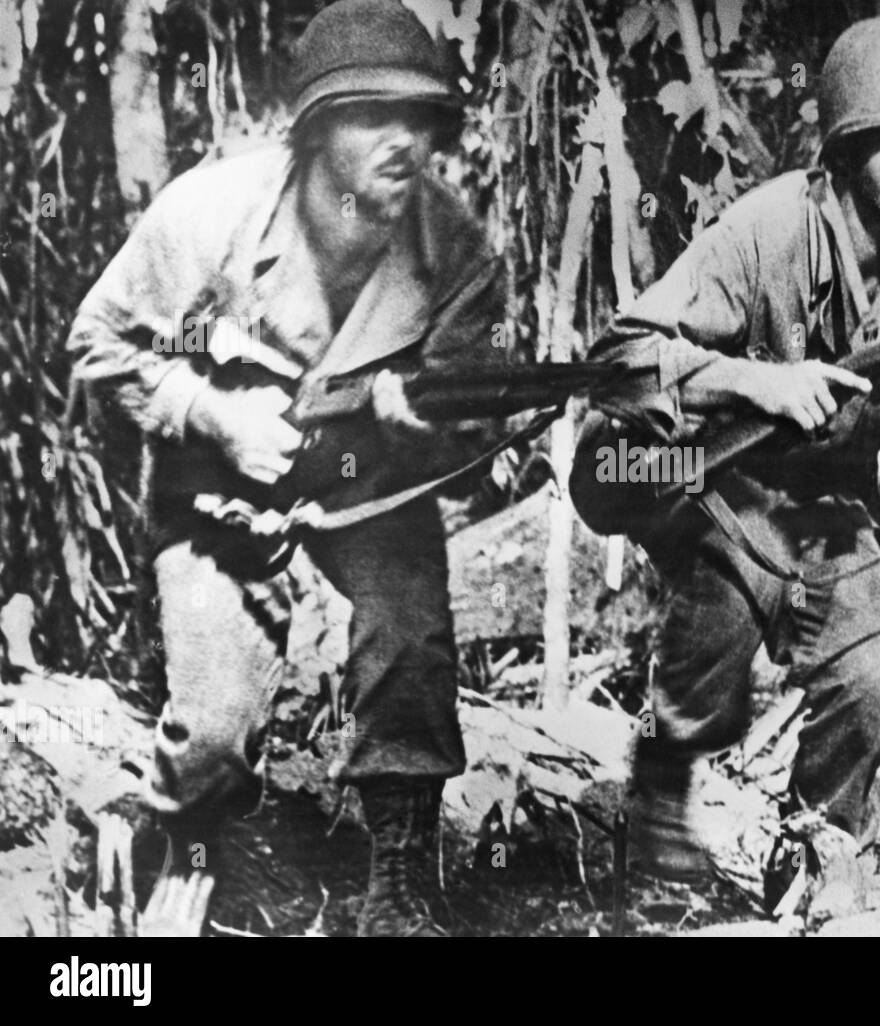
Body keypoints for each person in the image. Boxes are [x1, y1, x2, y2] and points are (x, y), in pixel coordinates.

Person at [573, 15, 880, 881]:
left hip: (820, 501)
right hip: (674, 467)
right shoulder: (768, 232)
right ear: (844, 146)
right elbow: (617, 358)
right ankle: (658, 809)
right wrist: (756, 382)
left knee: (871, 681)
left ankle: (814, 854)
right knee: (739, 577)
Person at [68, 0, 506, 935]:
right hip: (216, 482)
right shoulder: (210, 211)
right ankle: (186, 844)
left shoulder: (457, 252)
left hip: (366, 479)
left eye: (419, 117)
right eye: (370, 116)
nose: (402, 141)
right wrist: (214, 414)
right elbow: (96, 345)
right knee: (214, 734)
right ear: (315, 130)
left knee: (411, 634)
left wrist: (420, 422)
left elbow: (467, 453)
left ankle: (398, 871)